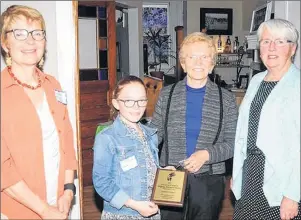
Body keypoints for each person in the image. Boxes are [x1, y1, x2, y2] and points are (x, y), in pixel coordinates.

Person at [150, 32, 238, 220]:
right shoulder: (167, 95)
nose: (198, 63)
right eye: (192, 57)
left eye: (204, 57)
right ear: (183, 63)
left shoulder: (227, 99)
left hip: (209, 180)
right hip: (171, 177)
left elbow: (233, 143)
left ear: (212, 63)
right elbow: (153, 136)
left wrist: (206, 155)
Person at [1, 5, 77, 219]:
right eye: (20, 33)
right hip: (19, 210)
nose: (30, 41)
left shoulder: (53, 85)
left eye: (37, 33)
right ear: (5, 43)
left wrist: (69, 190)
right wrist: (43, 210)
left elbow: (67, 143)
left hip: (59, 204)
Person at [231, 18, 301, 220]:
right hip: (251, 174)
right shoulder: (256, 81)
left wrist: (293, 194)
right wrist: (237, 173)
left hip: (282, 182)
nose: (271, 47)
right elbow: (244, 132)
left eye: (280, 42)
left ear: (293, 48)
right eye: (265, 41)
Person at [93, 76, 162, 219]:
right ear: (116, 104)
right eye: (129, 101)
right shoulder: (107, 137)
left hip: (151, 211)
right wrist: (134, 205)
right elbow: (102, 181)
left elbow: (146, 169)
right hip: (124, 214)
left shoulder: (150, 134)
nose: (137, 107)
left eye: (141, 100)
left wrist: (164, 174)